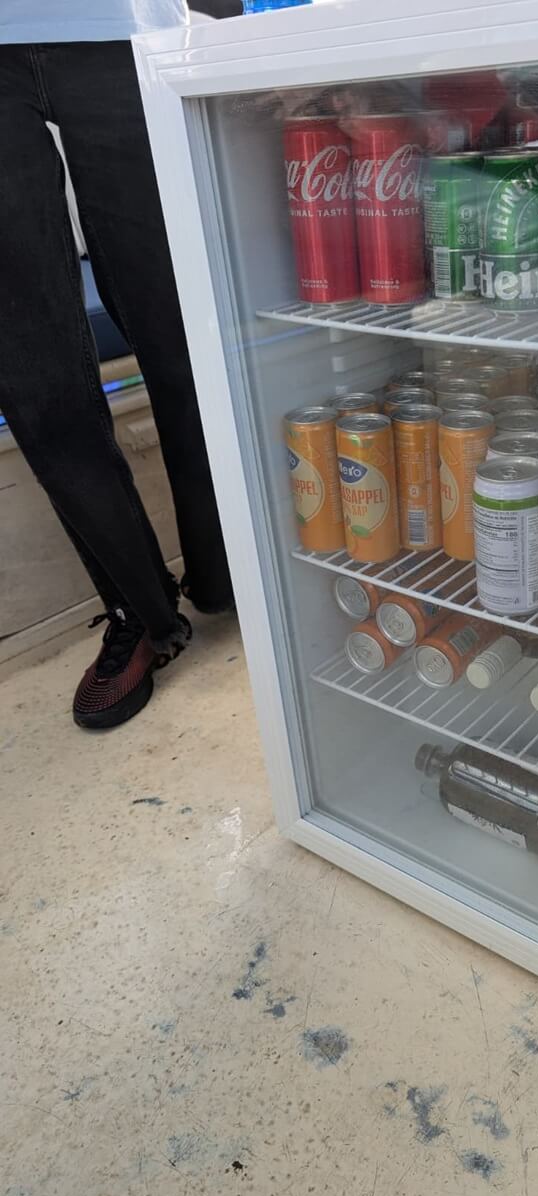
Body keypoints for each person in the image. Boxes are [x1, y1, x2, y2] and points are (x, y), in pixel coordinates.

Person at [0, 1, 233, 730]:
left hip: (122, 30)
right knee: (36, 372)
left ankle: (226, 568)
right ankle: (136, 607)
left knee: (182, 331)